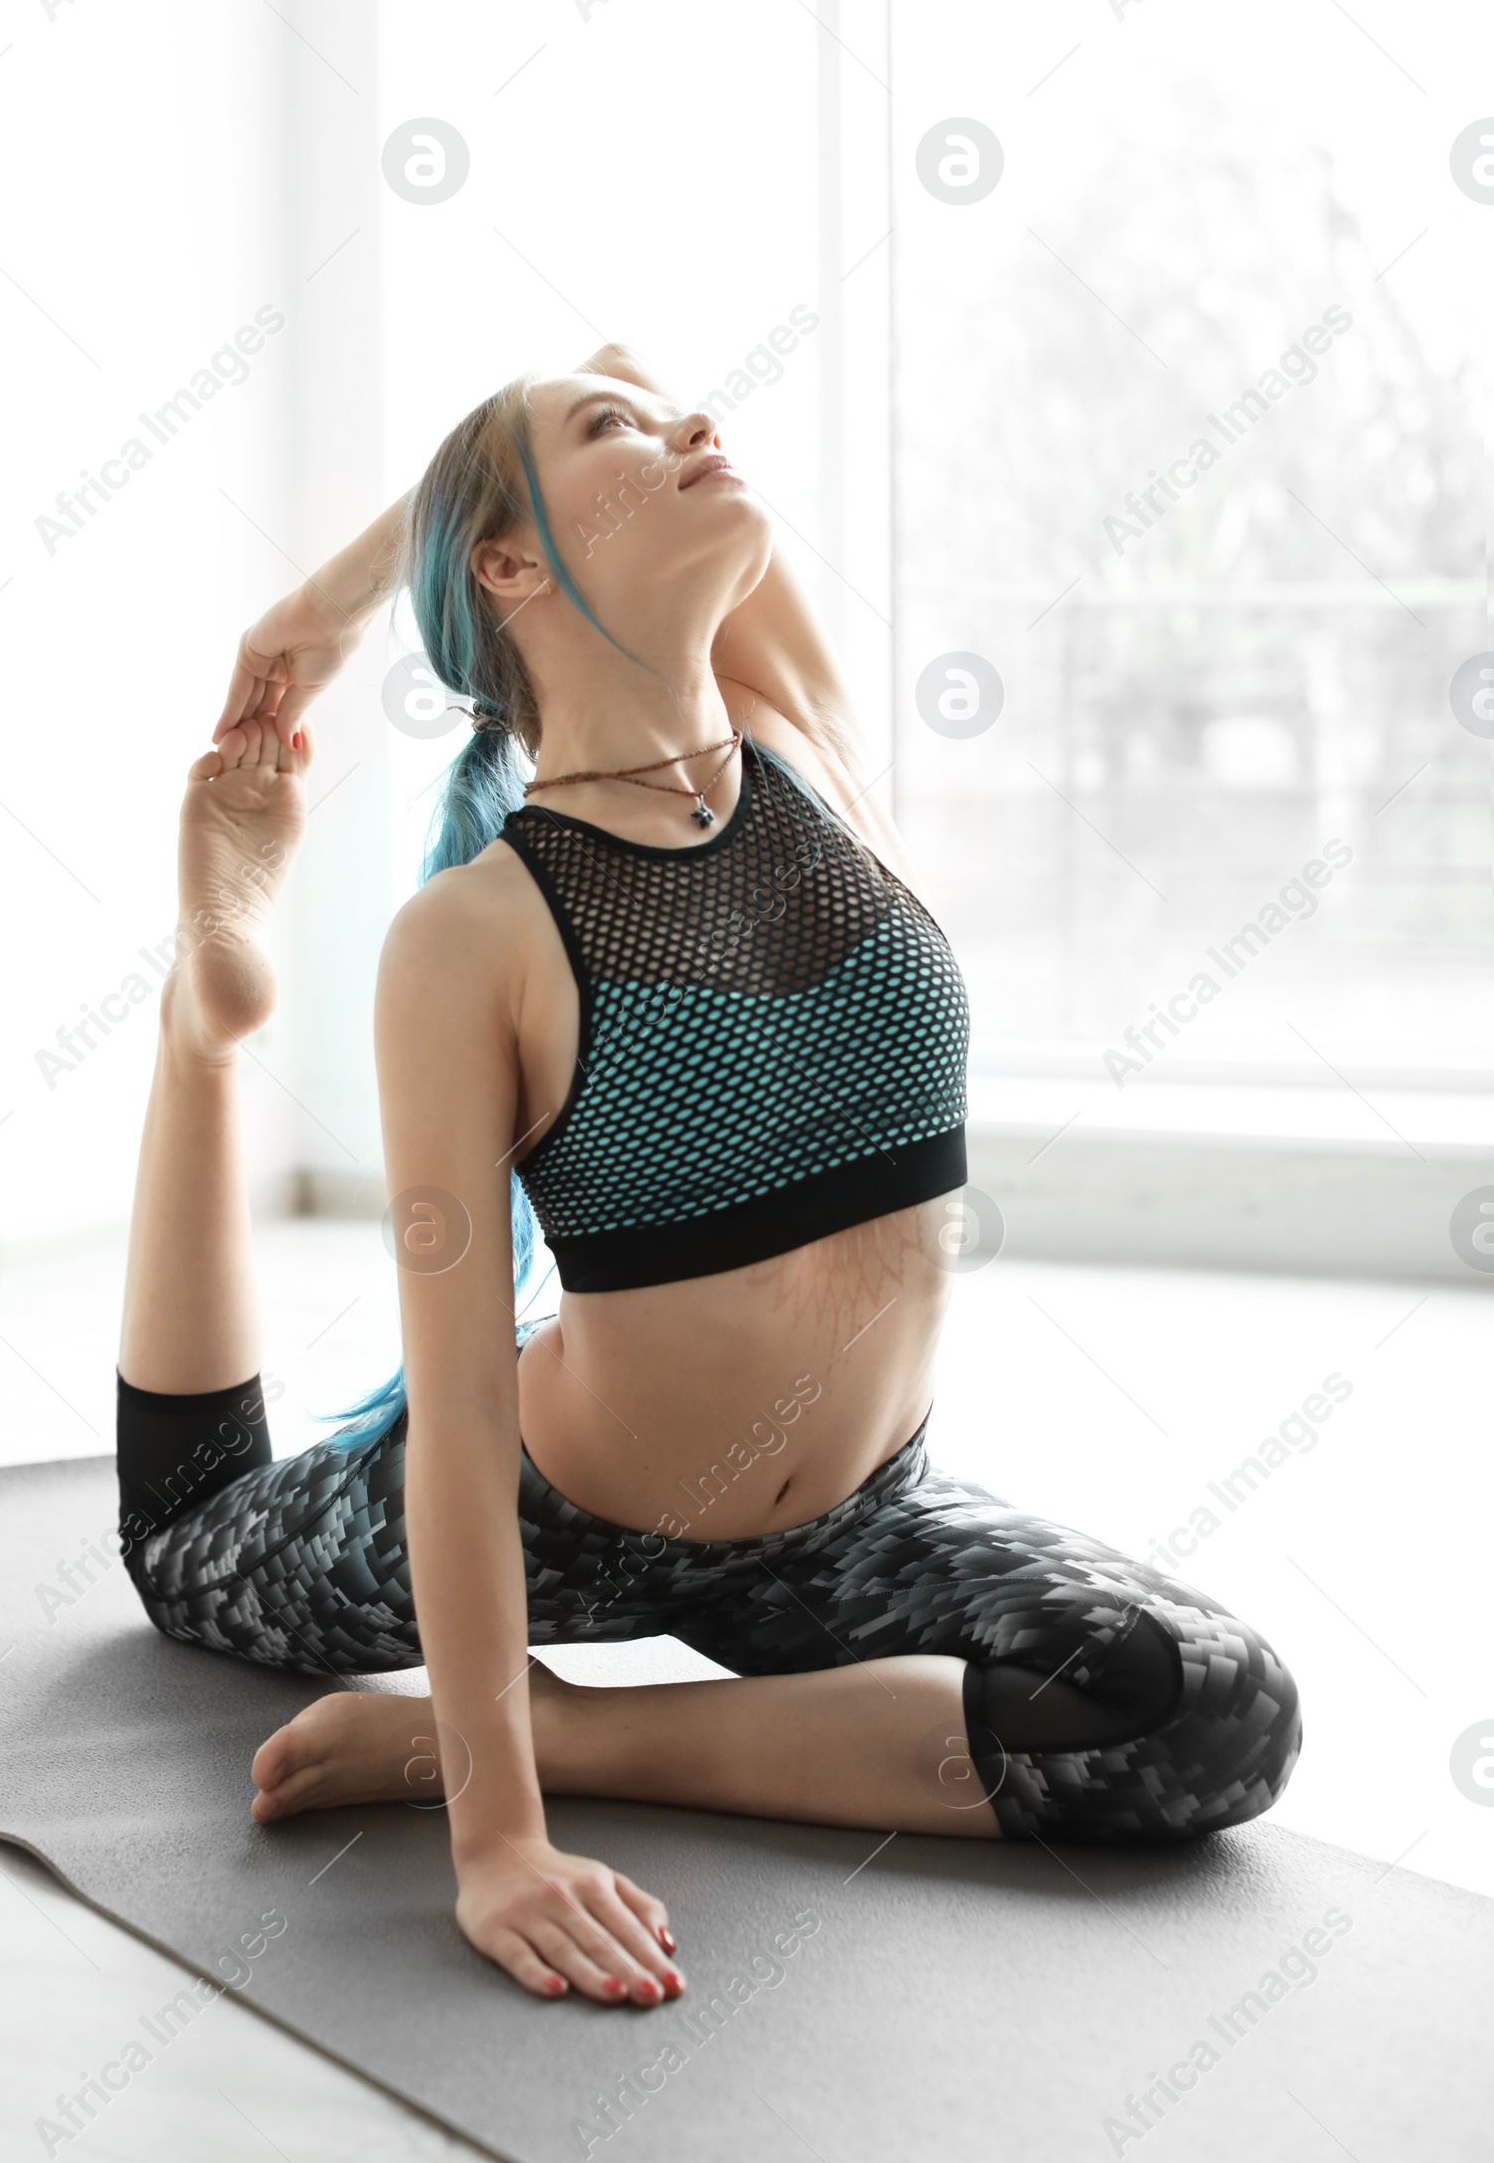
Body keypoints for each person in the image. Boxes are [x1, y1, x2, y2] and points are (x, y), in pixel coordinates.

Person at [112, 342, 1301, 2011]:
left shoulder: (802, 739)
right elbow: (455, 1419)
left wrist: (328, 600)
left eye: (679, 426)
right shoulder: (473, 938)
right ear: (510, 564)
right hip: (558, 1524)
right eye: (621, 438)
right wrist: (497, 1838)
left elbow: (606, 366)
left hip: (856, 1525)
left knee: (1208, 1711)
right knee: (188, 1557)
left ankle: (592, 1727)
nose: (685, 429)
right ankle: (199, 1029)